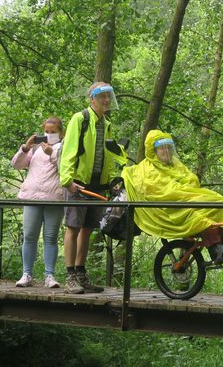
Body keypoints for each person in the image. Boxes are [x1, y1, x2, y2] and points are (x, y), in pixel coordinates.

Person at [121, 129, 223, 263]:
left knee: (219, 202)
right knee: (202, 209)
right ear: (153, 151)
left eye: (169, 148)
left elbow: (191, 180)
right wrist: (186, 193)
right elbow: (164, 192)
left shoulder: (174, 164)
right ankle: (216, 250)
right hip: (167, 210)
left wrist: (188, 191)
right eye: (162, 148)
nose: (166, 151)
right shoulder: (148, 169)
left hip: (182, 200)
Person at [59, 82, 127, 294]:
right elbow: (69, 150)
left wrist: (112, 180)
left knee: (88, 229)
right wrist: (67, 180)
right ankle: (70, 275)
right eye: (102, 97)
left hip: (97, 186)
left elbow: (107, 155)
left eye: (109, 97)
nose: (106, 101)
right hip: (78, 184)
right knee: (73, 227)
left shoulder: (106, 123)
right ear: (92, 99)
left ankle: (80, 273)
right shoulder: (80, 119)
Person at [11, 116, 65, 288]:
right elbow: (16, 165)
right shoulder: (34, 149)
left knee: (50, 238)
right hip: (32, 197)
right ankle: (26, 274)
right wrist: (25, 148)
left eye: (53, 132)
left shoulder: (64, 148)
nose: (49, 135)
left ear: (61, 133)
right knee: (29, 237)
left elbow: (66, 169)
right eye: (46, 132)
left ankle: (49, 275)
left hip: (53, 199)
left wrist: (53, 153)